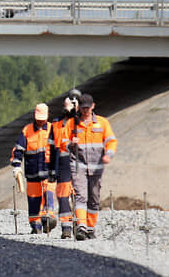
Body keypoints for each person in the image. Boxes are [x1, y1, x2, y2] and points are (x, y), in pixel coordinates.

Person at [63, 93, 117, 241]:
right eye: (83, 108)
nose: (85, 111)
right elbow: (63, 142)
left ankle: (90, 227)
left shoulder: (102, 123)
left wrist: (108, 155)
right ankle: (81, 226)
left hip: (97, 167)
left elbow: (111, 141)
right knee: (81, 196)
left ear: (93, 106)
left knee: (94, 199)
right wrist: (71, 144)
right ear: (79, 108)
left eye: (88, 108)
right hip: (78, 166)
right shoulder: (72, 124)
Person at [11, 103, 56, 234]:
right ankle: (35, 226)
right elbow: (19, 149)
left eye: (43, 119)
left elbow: (58, 149)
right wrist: (16, 165)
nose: (40, 121)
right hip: (32, 173)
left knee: (48, 196)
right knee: (33, 200)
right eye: (38, 119)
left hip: (48, 173)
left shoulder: (52, 129)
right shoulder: (27, 130)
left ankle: (48, 220)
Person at [49, 91, 81, 239]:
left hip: (78, 162)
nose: (67, 106)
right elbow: (50, 147)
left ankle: (81, 225)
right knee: (62, 195)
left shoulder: (80, 121)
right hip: (62, 164)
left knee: (79, 195)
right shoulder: (56, 123)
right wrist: (50, 168)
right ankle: (66, 227)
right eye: (66, 103)